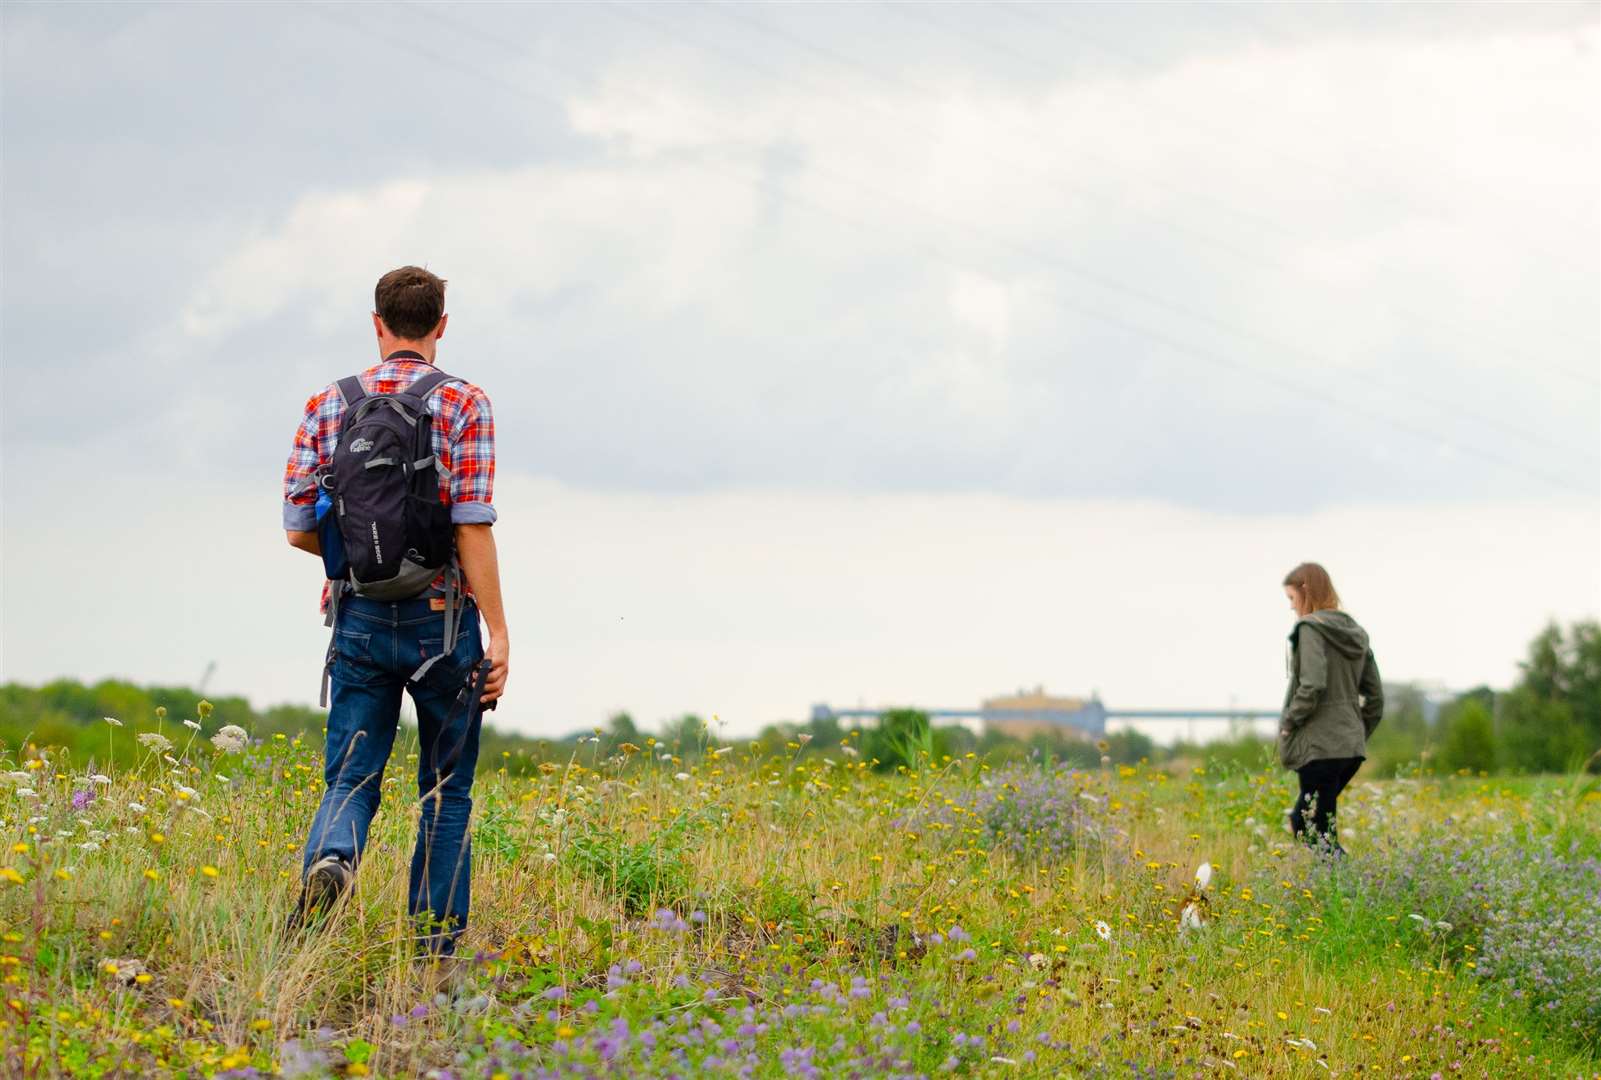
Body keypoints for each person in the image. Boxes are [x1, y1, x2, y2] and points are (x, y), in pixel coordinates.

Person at [281, 266, 509, 953]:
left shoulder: (328, 402)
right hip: (442, 619)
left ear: (376, 323)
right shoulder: (466, 403)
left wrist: (361, 560)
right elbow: (471, 524)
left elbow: (297, 526)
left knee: (352, 774)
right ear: (442, 324)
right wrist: (497, 631)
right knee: (446, 792)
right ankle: (434, 955)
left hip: (357, 618)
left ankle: (335, 857)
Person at [1278, 562, 1382, 853]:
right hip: (1349, 748)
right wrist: (1356, 732)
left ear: (1306, 591)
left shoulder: (1310, 629)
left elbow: (1312, 684)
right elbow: (1375, 699)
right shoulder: (1357, 633)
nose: (1291, 607)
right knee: (1320, 826)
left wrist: (1289, 722)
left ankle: (1347, 887)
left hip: (1320, 747)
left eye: (1291, 599)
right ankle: (1340, 885)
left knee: (1305, 823)